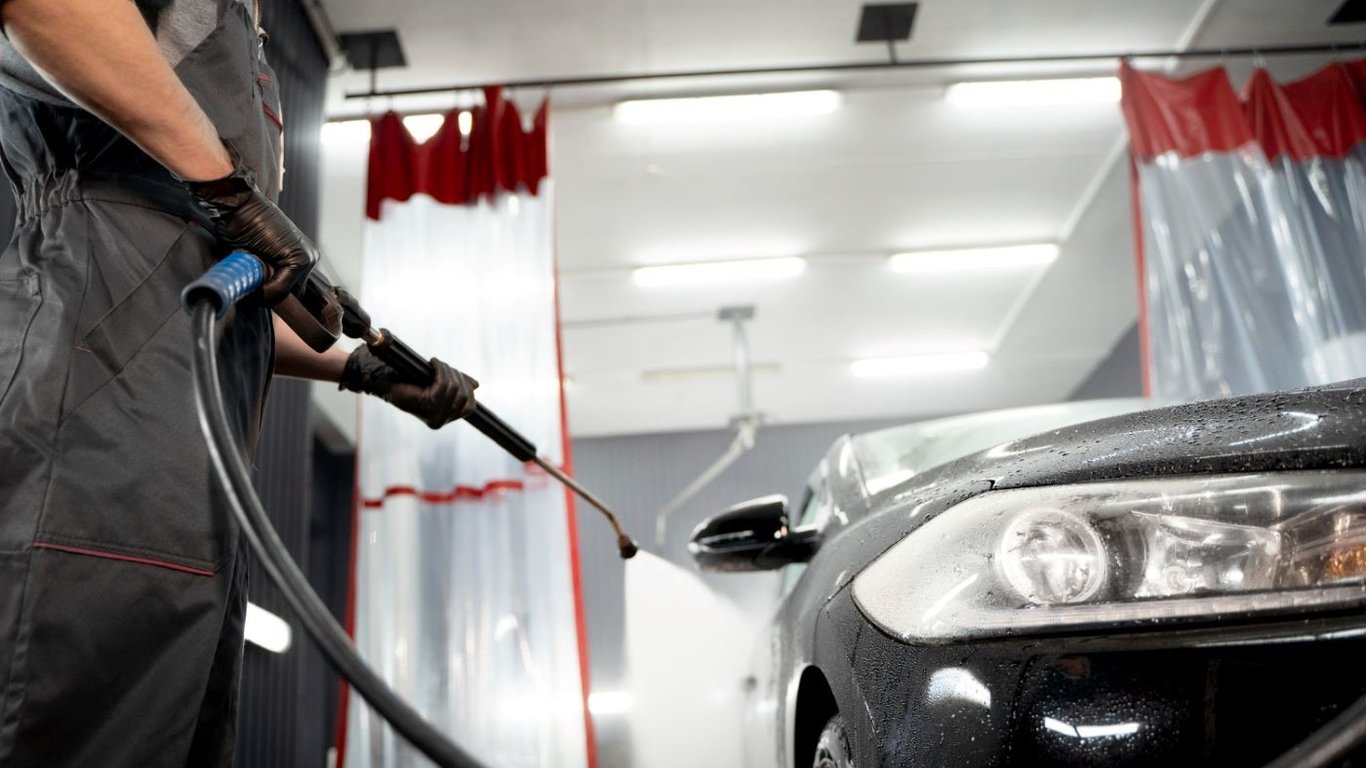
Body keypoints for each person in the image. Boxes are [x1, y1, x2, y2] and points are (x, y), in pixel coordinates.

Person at [0, 0, 478, 765]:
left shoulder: (246, 38)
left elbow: (200, 290)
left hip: (194, 468)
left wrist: (358, 367)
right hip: (89, 413)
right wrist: (224, 187)